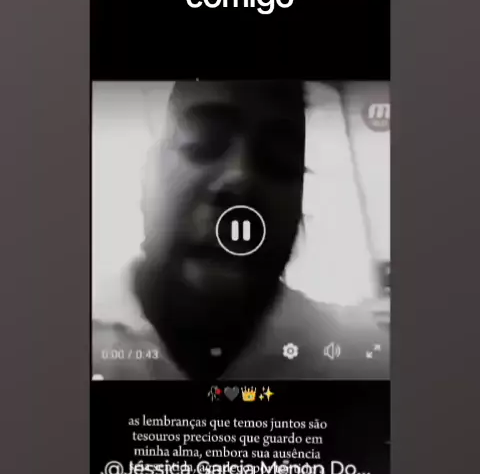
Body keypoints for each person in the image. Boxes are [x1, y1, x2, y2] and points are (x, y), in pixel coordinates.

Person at [92, 80, 389, 380]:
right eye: (202, 140)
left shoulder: (367, 364)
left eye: (280, 158)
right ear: (146, 178)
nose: (241, 178)